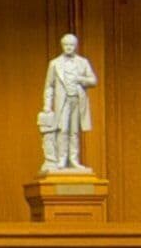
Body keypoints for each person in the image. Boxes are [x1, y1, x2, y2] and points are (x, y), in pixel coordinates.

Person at [39, 33, 98, 174]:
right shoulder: (54, 64)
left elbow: (93, 80)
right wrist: (47, 105)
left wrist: (79, 79)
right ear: (62, 45)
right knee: (63, 129)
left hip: (77, 99)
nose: (68, 48)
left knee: (74, 131)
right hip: (62, 101)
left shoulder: (83, 62)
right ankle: (61, 159)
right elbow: (49, 86)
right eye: (66, 45)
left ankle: (74, 160)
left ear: (75, 46)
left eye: (71, 45)